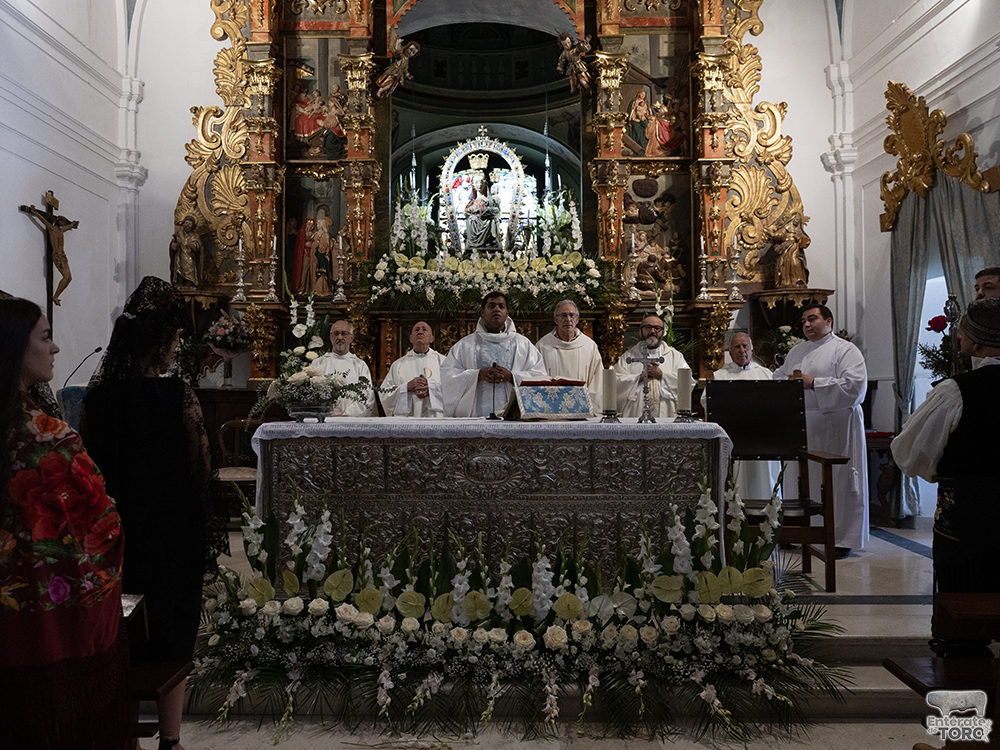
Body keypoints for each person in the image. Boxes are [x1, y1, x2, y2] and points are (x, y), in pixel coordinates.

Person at [83, 276, 229, 750]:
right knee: (172, 630)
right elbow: (201, 467)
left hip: (116, 529)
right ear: (161, 346)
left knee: (121, 629)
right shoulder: (178, 395)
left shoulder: (98, 399)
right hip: (170, 529)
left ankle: (123, 733)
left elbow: (89, 468)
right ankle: (170, 738)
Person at [0, 298, 129, 750]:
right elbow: (102, 528)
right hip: (40, 628)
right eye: (45, 336)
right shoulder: (50, 438)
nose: (55, 348)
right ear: (14, 348)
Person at [892, 298, 1000, 598]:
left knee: (963, 602)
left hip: (968, 524)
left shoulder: (956, 391)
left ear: (975, 344)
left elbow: (909, 453)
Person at [773, 304, 868, 558]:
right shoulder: (797, 351)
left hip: (836, 426)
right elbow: (778, 377)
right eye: (803, 320)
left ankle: (839, 538)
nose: (806, 324)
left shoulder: (845, 350)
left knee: (836, 481)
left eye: (812, 319)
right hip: (802, 424)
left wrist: (814, 383)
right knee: (800, 480)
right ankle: (798, 532)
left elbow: (855, 387)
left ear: (828, 321)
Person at [441, 292, 547, 417]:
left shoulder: (523, 345)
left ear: (507, 313)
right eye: (491, 306)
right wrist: (477, 375)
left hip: (514, 418)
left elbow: (539, 376)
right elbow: (448, 375)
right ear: (482, 312)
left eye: (501, 306)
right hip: (475, 417)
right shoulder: (465, 345)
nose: (496, 309)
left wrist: (512, 377)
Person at [702, 333, 778, 499]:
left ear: (751, 349)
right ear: (730, 351)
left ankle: (768, 508)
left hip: (762, 437)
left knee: (765, 478)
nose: (741, 350)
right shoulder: (719, 376)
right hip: (733, 435)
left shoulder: (766, 374)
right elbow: (707, 402)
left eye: (745, 346)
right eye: (737, 346)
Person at [614, 315, 690, 419]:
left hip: (666, 414)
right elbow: (615, 382)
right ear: (640, 331)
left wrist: (662, 375)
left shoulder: (675, 356)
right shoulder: (628, 357)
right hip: (635, 414)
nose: (652, 331)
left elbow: (688, 382)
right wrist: (639, 378)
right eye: (648, 327)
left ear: (663, 332)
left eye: (657, 328)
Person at [536, 300, 604, 415]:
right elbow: (536, 378)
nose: (568, 319)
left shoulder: (589, 346)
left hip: (582, 411)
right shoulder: (542, 346)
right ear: (556, 319)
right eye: (563, 315)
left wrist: (588, 406)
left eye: (572, 315)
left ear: (577, 319)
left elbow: (598, 381)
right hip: (551, 411)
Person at [379, 321, 446, 417]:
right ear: (411, 338)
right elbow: (385, 393)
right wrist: (406, 387)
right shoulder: (398, 365)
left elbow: (454, 390)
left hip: (435, 418)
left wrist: (431, 389)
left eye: (424, 329)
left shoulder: (443, 362)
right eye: (416, 330)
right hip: (407, 419)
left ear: (432, 338)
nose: (420, 332)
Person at [20, 200, 79, 305]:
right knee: (66, 277)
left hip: (63, 256)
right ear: (58, 221)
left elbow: (69, 226)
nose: (63, 224)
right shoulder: (52, 228)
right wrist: (35, 212)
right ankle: (55, 297)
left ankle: (56, 296)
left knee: (69, 278)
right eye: (62, 222)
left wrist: (73, 224)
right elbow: (43, 220)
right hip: (57, 256)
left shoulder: (61, 231)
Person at [313, 320, 376, 417]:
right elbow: (310, 393)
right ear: (330, 338)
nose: (339, 337)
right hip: (323, 420)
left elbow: (367, 395)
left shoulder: (360, 365)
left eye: (344, 334)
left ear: (351, 338)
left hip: (350, 422)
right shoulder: (318, 363)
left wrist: (346, 416)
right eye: (336, 333)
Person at [464, 173, 501, 251]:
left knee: (490, 221)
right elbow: (466, 212)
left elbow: (496, 211)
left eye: (480, 182)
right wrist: (473, 210)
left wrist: (484, 212)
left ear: (484, 184)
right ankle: (473, 243)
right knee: (471, 219)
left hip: (486, 221)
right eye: (476, 182)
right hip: (474, 222)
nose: (479, 185)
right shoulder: (472, 202)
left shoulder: (489, 200)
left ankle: (488, 241)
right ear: (473, 184)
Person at [169, 215, 203, 288]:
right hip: (179, 260)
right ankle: (179, 284)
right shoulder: (178, 234)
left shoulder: (194, 235)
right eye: (186, 223)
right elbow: (174, 242)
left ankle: (190, 284)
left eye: (190, 224)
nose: (187, 225)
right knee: (179, 274)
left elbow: (197, 243)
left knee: (190, 276)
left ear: (193, 225)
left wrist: (194, 246)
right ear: (183, 224)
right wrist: (173, 245)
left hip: (190, 260)